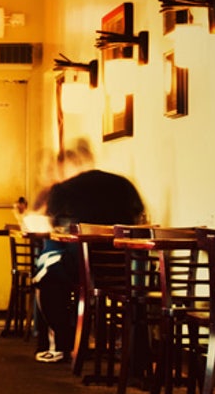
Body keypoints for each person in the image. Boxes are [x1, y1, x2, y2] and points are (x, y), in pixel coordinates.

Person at [32, 140, 146, 364]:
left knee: (46, 275)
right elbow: (140, 219)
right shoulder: (123, 185)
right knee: (52, 265)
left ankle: (62, 344)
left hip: (82, 266)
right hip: (124, 269)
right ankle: (136, 350)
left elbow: (51, 223)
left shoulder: (63, 189)